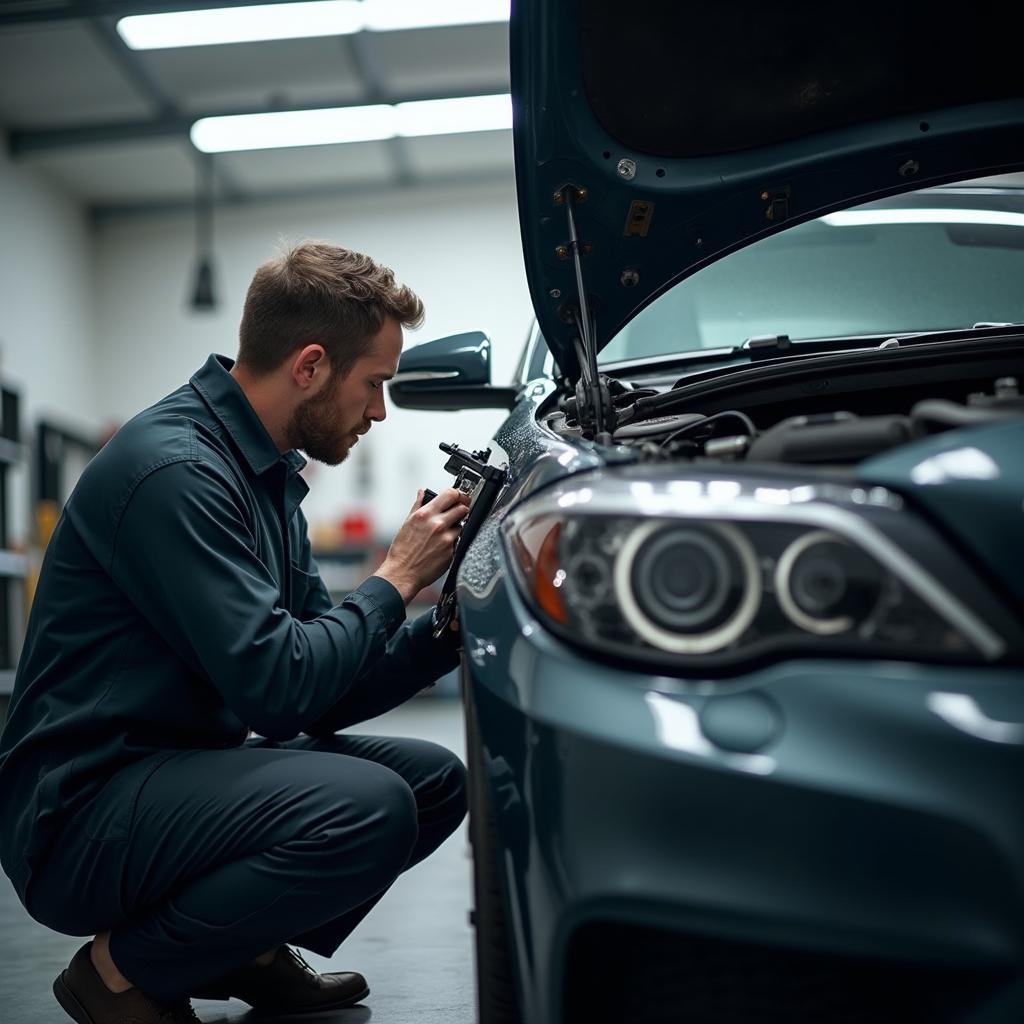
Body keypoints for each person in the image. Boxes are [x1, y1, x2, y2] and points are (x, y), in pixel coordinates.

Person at [0, 242, 471, 1024]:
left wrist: (440, 633)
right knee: (368, 807)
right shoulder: (176, 471)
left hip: (171, 772)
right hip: (78, 815)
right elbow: (280, 691)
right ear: (311, 366)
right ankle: (119, 974)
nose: (379, 412)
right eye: (375, 385)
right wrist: (393, 580)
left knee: (431, 783)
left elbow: (325, 681)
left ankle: (243, 946)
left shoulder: (264, 475)